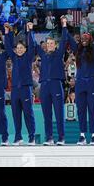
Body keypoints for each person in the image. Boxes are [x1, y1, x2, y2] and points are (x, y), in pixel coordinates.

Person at [66, 18, 94, 146]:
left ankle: (93, 135)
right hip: (80, 83)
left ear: (90, 40)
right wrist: (65, 26)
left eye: (87, 38)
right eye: (82, 39)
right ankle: (82, 135)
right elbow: (69, 39)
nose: (84, 40)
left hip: (92, 82)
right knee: (80, 110)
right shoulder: (78, 50)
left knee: (93, 110)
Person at [36, 16, 68, 146]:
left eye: (51, 44)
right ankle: (49, 138)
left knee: (59, 113)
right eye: (48, 44)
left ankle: (61, 138)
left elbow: (64, 39)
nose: (49, 45)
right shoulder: (43, 55)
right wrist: (29, 30)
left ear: (55, 45)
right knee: (47, 114)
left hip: (56, 84)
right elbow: (32, 43)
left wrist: (64, 25)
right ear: (45, 46)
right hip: (44, 85)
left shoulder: (59, 53)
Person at [4, 22, 37, 146]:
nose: (19, 50)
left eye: (21, 48)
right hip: (15, 90)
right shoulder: (13, 57)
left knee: (28, 114)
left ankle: (32, 138)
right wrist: (7, 33)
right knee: (16, 115)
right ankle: (18, 138)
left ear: (25, 49)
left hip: (25, 89)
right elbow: (7, 47)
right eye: (17, 48)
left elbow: (32, 45)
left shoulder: (28, 56)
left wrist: (29, 31)